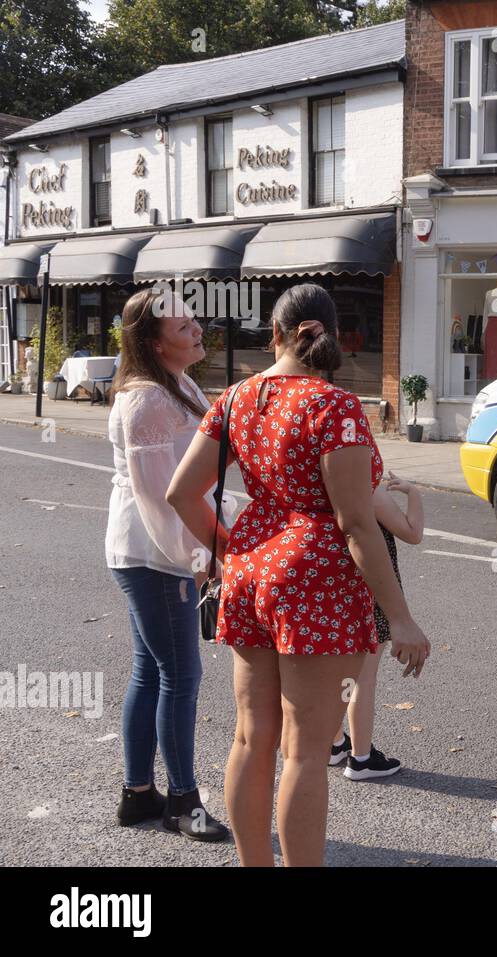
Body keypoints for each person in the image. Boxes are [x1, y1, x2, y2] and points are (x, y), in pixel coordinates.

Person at [167, 283, 430, 867]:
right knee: (306, 752)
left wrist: (234, 549)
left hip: (250, 570)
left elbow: (182, 493)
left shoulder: (235, 398)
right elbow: (357, 524)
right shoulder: (333, 405)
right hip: (318, 578)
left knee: (249, 736)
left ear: (277, 333)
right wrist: (404, 619)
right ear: (331, 334)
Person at [105, 288, 231, 842]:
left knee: (150, 671)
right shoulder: (147, 400)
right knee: (181, 675)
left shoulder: (171, 386)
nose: (197, 329)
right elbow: (159, 497)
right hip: (156, 553)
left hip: (153, 549)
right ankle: (182, 801)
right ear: (155, 343)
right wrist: (200, 556)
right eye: (183, 327)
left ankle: (138, 794)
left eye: (193, 320)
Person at [330, 471, 425, 780]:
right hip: (371, 587)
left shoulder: (322, 480)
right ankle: (361, 757)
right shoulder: (365, 486)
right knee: (362, 678)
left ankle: (334, 744)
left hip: (333, 585)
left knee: (339, 675)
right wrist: (413, 493)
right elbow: (412, 532)